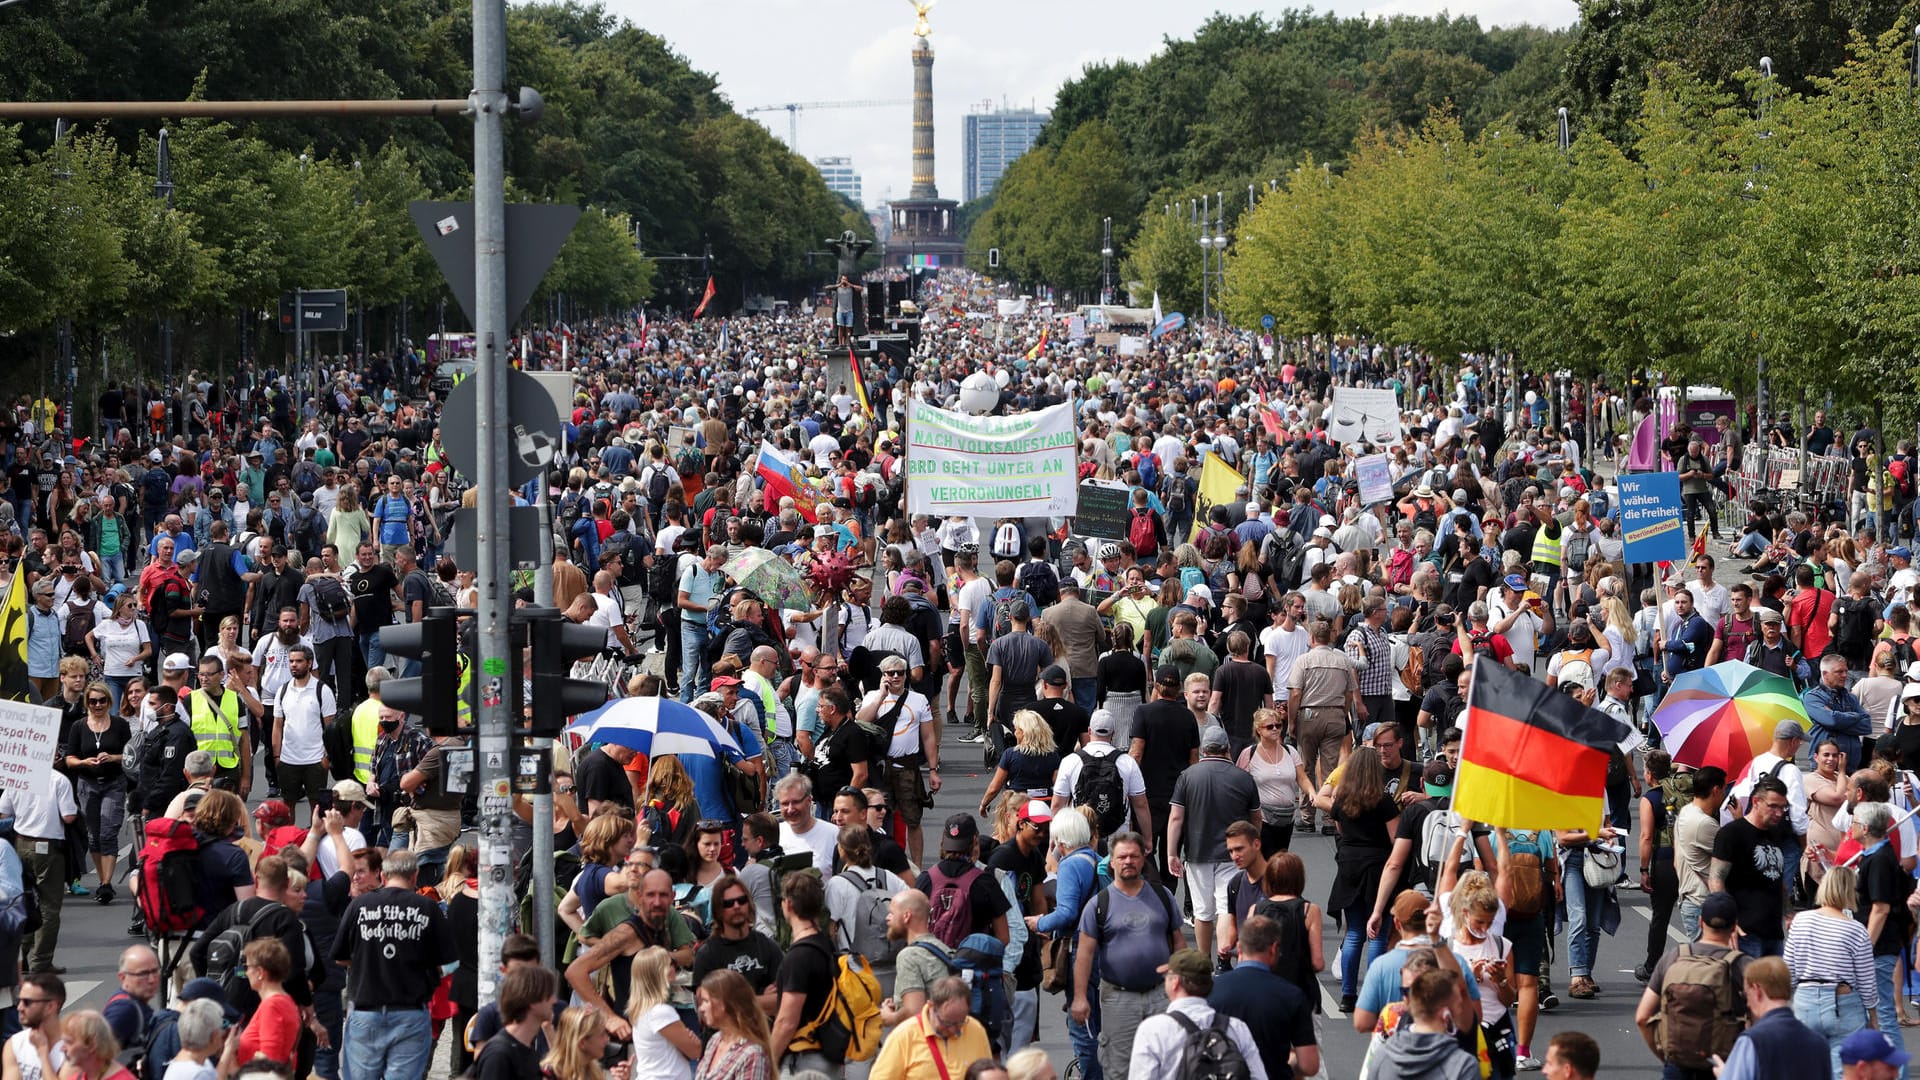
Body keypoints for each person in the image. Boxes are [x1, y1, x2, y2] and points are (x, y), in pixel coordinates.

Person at [331, 849, 457, 1080]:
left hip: (365, 1009)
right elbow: (449, 963)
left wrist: (368, 960)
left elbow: (339, 956)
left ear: (384, 875)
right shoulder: (427, 908)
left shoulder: (360, 906)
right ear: (415, 875)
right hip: (410, 1011)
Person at [1071, 831, 1184, 1080]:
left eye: (1134, 856)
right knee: (1119, 1068)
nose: (1128, 861)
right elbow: (1084, 955)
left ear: (1143, 859)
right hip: (1118, 999)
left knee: (1167, 1065)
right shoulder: (1099, 904)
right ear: (1111, 861)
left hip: (1161, 995)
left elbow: (1178, 943)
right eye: (1122, 856)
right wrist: (1080, 998)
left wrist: (1183, 988)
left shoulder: (1162, 896)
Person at [1634, 892, 1751, 1080]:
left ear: (1700, 922)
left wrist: (1666, 1058)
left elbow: (1642, 1017)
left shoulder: (1673, 957)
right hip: (1723, 1065)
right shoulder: (1742, 965)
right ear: (1735, 926)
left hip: (1677, 1064)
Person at [1167, 726, 1260, 960]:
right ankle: (1223, 959)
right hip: (1233, 854)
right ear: (1228, 749)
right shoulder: (1244, 778)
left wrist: (1171, 853)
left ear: (1203, 749)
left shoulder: (1187, 776)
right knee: (1226, 909)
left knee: (1202, 912)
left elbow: (1176, 817)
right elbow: (1256, 818)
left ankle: (1203, 959)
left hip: (1198, 853)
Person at [1123, 947, 1267, 1080]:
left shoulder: (1153, 1030)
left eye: (1167, 976)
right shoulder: (1237, 1028)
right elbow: (1259, 1077)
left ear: (1175, 982)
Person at [1209, 915, 1318, 1080]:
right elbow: (1309, 1065)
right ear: (1274, 949)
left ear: (1239, 947)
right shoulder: (1292, 996)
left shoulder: (1211, 990)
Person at [0, 764, 77, 974]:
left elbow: (3, 812)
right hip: (47, 846)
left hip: (20, 845)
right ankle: (41, 961)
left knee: (23, 900)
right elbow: (69, 816)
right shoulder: (59, 780)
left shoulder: (19, 779)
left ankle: (21, 957)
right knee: (49, 906)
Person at [1709, 774, 1790, 956]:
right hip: (1744, 932)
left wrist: (1788, 913)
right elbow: (1715, 880)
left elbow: (1778, 879)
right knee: (1747, 983)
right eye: (1773, 806)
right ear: (1756, 801)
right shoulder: (1732, 833)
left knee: (1773, 984)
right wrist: (1727, 921)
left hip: (1773, 932)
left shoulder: (1776, 833)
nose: (1779, 813)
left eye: (1782, 807)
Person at [1715, 956, 1827, 1080]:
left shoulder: (1752, 1040)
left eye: (1746, 994)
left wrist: (1725, 1075)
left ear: (1757, 990)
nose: (1747, 1004)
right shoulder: (1819, 1043)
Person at [869, 976, 993, 1080]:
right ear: (931, 1006)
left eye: (960, 1022)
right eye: (947, 1023)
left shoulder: (975, 1029)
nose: (953, 1030)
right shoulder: (904, 1035)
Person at [1368, 969, 1480, 1080]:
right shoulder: (1463, 1066)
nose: (1461, 1012)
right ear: (1446, 1015)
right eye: (1459, 1006)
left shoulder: (1382, 1056)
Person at [474, 965, 561, 1080]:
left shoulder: (528, 1052)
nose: (554, 1000)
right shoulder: (499, 1055)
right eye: (549, 995)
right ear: (532, 1000)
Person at [626, 946, 701, 1080]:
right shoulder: (661, 1012)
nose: (673, 968)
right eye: (668, 965)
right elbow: (695, 1051)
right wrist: (692, 1041)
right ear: (657, 973)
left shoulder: (642, 1009)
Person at [694, 969, 774, 1080]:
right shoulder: (715, 1040)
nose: (701, 1008)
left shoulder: (752, 1055)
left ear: (724, 1004)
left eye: (706, 1001)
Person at [235, 938, 300, 1066]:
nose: (246, 972)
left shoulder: (271, 1006)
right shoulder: (286, 1001)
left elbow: (270, 1059)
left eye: (247, 967)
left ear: (260, 972)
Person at [2, 972, 66, 1080]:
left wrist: (43, 1054)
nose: (20, 1008)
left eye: (27, 1002)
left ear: (50, 1006)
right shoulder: (15, 1044)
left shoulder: (73, 1048)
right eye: (19, 1001)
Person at [102, 945, 160, 1053]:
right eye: (143, 974)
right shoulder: (124, 1009)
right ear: (122, 977)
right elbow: (97, 1052)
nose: (152, 980)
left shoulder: (133, 1003)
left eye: (155, 971)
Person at [161, 998, 234, 1080]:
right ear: (213, 1036)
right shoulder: (199, 1074)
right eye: (221, 1030)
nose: (222, 1034)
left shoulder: (186, 1062)